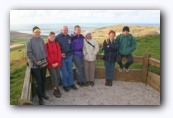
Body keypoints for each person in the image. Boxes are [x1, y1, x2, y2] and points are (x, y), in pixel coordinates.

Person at [26, 26, 49, 105]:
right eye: (36, 32)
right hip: (35, 65)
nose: (37, 33)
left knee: (43, 79)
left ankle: (43, 93)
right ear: (33, 32)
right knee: (38, 82)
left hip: (42, 64)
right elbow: (28, 53)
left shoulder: (41, 40)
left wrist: (45, 57)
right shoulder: (30, 41)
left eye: (38, 32)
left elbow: (44, 50)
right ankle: (40, 98)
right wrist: (36, 61)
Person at [55, 26, 78, 92]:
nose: (65, 31)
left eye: (66, 30)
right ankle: (65, 85)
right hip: (62, 57)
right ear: (61, 30)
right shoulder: (57, 37)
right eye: (64, 30)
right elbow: (56, 48)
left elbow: (71, 47)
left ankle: (71, 84)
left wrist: (70, 54)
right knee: (63, 72)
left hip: (69, 56)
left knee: (70, 71)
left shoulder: (69, 37)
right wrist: (61, 53)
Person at [45, 31, 62, 98]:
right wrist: (52, 63)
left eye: (53, 36)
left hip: (58, 63)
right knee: (54, 76)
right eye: (51, 36)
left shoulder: (57, 44)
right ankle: (55, 90)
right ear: (48, 37)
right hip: (50, 64)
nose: (52, 37)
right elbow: (46, 55)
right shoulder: (46, 45)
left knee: (58, 76)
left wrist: (57, 62)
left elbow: (59, 53)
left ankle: (56, 88)